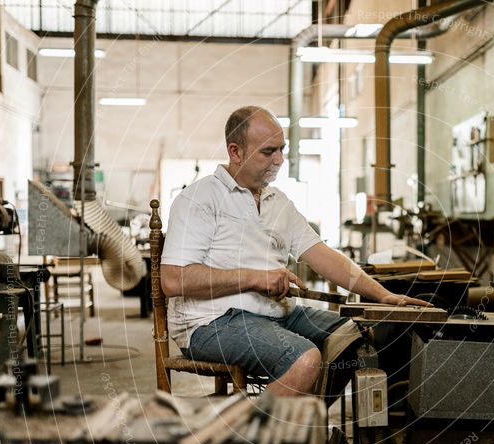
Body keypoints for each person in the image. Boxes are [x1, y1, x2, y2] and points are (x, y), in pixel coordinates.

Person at [161, 106, 429, 397]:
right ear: (235, 152)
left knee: (357, 339)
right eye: (268, 152)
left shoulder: (278, 202)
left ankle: (297, 423)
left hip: (274, 313)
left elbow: (322, 255)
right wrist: (253, 278)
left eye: (282, 150)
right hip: (212, 321)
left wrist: (382, 295)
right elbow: (174, 280)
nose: (279, 160)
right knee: (303, 359)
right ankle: (244, 438)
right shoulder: (200, 198)